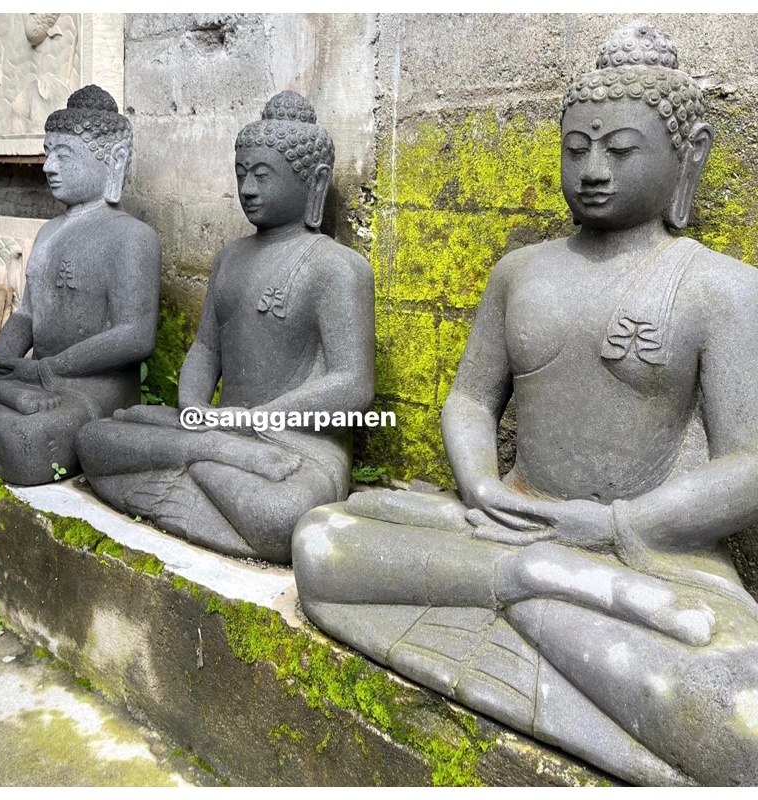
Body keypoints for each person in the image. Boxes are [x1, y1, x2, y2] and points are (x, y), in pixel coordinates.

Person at [292, 22, 758, 786]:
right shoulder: (521, 272)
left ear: (686, 155)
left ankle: (532, 592)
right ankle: (536, 585)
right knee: (319, 539)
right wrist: (477, 483)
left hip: (654, 560)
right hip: (505, 524)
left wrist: (611, 526)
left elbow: (749, 466)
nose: (594, 170)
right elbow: (472, 400)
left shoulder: (722, 288)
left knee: (740, 715)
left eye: (621, 149)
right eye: (577, 150)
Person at [77, 91, 375, 565]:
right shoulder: (229, 258)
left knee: (285, 514)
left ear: (314, 182)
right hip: (220, 431)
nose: (248, 189)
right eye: (241, 175)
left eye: (263, 175)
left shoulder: (338, 268)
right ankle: (207, 459)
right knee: (93, 440)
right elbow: (204, 349)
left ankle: (189, 470)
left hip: (294, 443)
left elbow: (352, 385)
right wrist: (196, 411)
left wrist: (259, 419)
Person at [0, 85, 161, 485]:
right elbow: (30, 311)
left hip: (92, 392)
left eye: (63, 156)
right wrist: (5, 360)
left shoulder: (132, 236)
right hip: (33, 379)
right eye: (48, 152)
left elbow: (136, 336)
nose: (49, 166)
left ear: (113, 162)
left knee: (27, 436)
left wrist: (55, 367)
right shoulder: (49, 232)